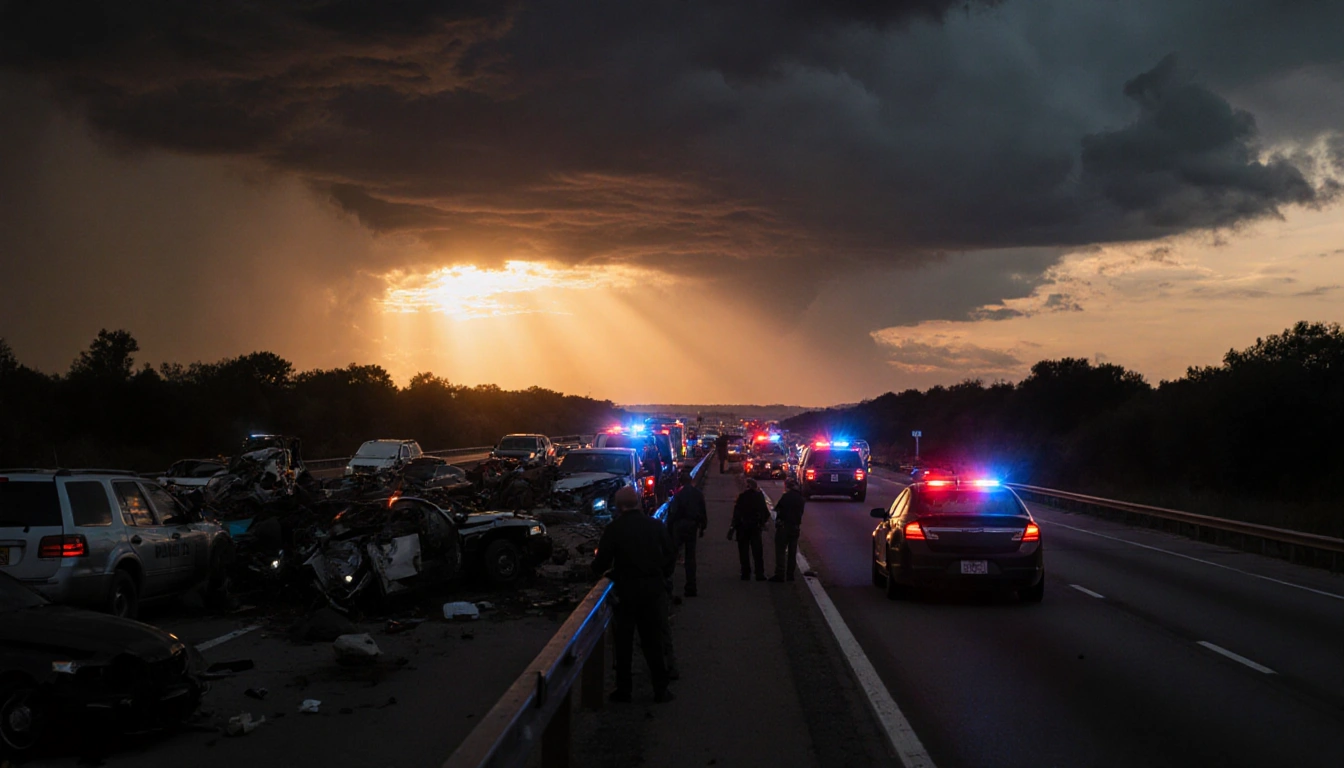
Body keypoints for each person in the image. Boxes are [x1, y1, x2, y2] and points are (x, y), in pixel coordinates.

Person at [592, 486, 675, 703]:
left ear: (619, 506)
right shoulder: (655, 526)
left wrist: (605, 573)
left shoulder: (614, 529)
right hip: (652, 592)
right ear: (638, 502)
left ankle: (624, 690)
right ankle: (660, 689)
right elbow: (670, 554)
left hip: (626, 593)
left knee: (624, 643)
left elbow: (601, 562)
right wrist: (662, 575)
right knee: (653, 641)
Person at [665, 468, 707, 597]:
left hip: (679, 526)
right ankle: (691, 587)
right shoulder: (698, 494)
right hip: (692, 526)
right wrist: (702, 527)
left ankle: (668, 584)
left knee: (672, 555)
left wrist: (668, 528)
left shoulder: (678, 495)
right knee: (690, 557)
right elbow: (703, 512)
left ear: (681, 482)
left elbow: (673, 513)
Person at [732, 478, 771, 580]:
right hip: (755, 527)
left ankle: (745, 573)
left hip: (743, 527)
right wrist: (762, 522)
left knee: (743, 551)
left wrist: (734, 526)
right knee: (757, 551)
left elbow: (736, 513)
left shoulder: (742, 497)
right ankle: (759, 573)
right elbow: (765, 512)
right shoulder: (759, 497)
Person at [770, 477, 806, 582]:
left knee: (780, 550)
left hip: (784, 527)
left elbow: (777, 510)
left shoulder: (786, 497)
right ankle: (790, 575)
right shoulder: (801, 499)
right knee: (792, 551)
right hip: (795, 527)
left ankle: (780, 574)